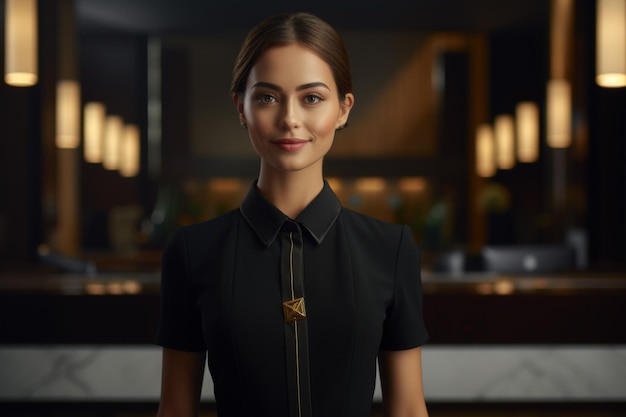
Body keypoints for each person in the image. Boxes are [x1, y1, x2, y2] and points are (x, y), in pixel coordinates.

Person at [156, 12, 429, 417]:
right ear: (241, 107)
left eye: (312, 98)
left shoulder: (390, 249)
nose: (289, 119)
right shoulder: (194, 251)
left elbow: (407, 409)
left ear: (343, 109)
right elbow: (176, 409)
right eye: (267, 97)